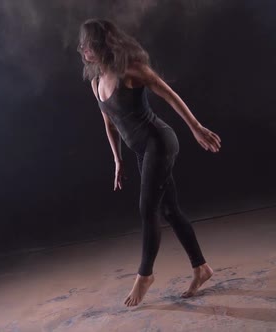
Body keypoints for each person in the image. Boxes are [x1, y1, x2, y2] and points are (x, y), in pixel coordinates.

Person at [77, 18, 222, 307]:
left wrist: (195, 127)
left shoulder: (130, 71)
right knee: (170, 210)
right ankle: (201, 268)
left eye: (87, 43)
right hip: (143, 151)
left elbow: (168, 94)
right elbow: (110, 122)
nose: (82, 48)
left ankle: (145, 275)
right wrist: (117, 159)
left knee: (148, 209)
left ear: (100, 45)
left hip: (160, 142)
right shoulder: (96, 83)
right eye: (81, 44)